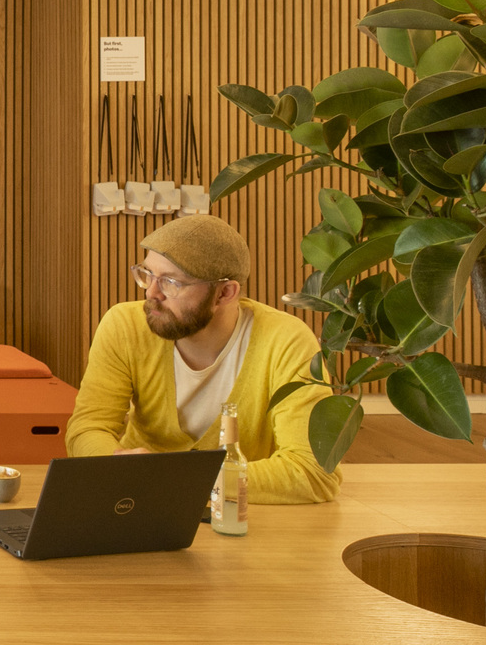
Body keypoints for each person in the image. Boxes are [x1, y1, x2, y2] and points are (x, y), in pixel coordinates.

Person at [67, 213, 340, 504]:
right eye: (147, 274)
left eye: (171, 282)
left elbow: (314, 472)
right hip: (137, 503)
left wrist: (176, 479)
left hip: (242, 517)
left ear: (224, 293)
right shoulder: (124, 325)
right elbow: (87, 428)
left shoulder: (286, 341)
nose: (152, 292)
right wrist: (113, 460)